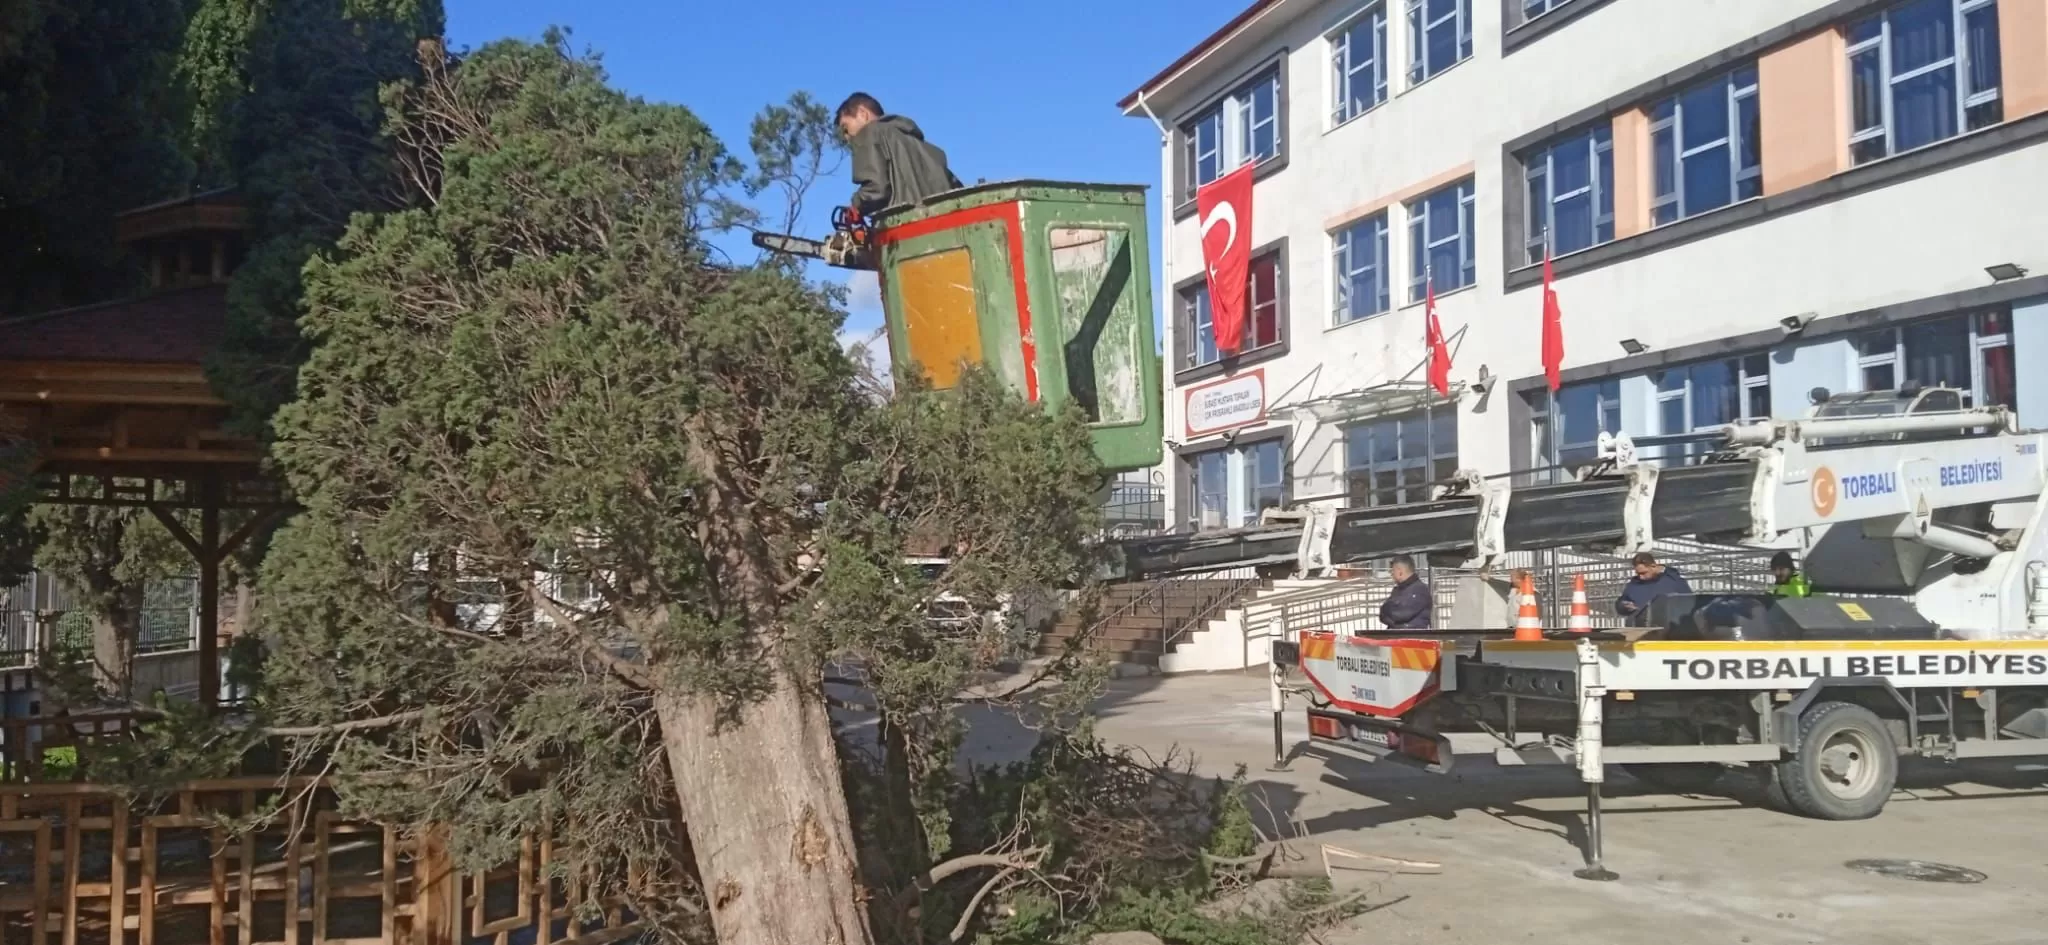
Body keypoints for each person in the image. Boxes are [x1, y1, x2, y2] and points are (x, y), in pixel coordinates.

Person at [837, 92, 963, 218]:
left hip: (905, 229)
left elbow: (876, 189)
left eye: (845, 128)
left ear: (863, 114)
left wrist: (854, 207)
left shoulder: (869, 132)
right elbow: (958, 191)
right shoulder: (929, 150)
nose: (847, 137)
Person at [1614, 552, 1692, 627]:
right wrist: (1623, 605)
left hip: (1669, 630)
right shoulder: (1634, 584)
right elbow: (1622, 602)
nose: (1641, 577)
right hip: (1640, 630)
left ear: (1653, 566)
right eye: (1638, 573)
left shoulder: (1674, 582)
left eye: (1644, 573)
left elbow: (1689, 603)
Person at [1379, 555, 1433, 631]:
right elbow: (1383, 615)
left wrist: (1389, 614)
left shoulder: (1419, 590)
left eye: (1393, 570)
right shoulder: (1398, 589)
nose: (1391, 573)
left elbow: (1400, 614)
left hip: (1411, 638)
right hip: (1398, 636)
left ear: (1400, 571)